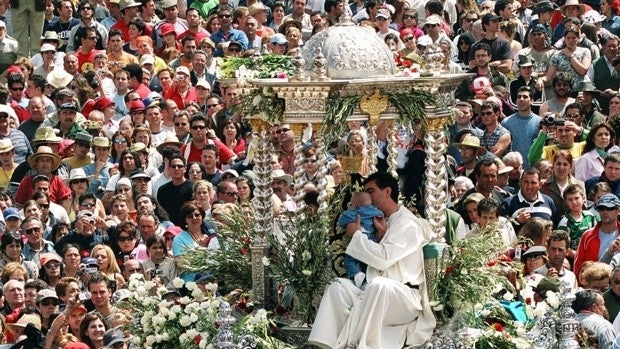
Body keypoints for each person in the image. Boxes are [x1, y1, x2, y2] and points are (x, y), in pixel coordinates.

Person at [308, 172, 435, 348]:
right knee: (339, 287)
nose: (367, 196)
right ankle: (327, 345)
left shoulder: (407, 223)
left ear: (387, 191)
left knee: (379, 286)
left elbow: (383, 258)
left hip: (403, 298)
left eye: (371, 191)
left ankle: (360, 345)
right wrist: (379, 235)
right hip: (372, 288)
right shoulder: (378, 219)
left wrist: (357, 235)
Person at [337, 192, 383, 289]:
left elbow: (341, 222)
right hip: (373, 240)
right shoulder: (377, 212)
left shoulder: (354, 213)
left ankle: (357, 274)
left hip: (359, 237)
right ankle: (368, 277)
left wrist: (351, 209)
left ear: (353, 204)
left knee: (349, 259)